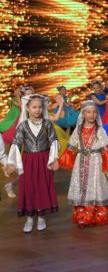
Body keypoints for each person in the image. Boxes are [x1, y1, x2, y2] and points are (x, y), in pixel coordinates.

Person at [5, 94, 60, 233]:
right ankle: (29, 218)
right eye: (34, 107)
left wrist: (54, 159)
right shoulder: (23, 126)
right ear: (28, 108)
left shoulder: (47, 124)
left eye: (40, 107)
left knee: (42, 186)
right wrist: (11, 163)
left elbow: (54, 140)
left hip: (44, 159)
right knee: (28, 187)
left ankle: (41, 217)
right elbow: (16, 144)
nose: (37, 110)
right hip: (28, 160)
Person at [58, 101, 108, 228]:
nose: (92, 114)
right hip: (81, 161)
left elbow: (105, 150)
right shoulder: (78, 130)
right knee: (81, 187)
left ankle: (95, 216)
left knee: (95, 186)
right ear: (83, 114)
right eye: (89, 112)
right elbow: (71, 147)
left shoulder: (100, 130)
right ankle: (82, 216)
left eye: (94, 112)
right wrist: (62, 161)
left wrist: (107, 166)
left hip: (95, 162)